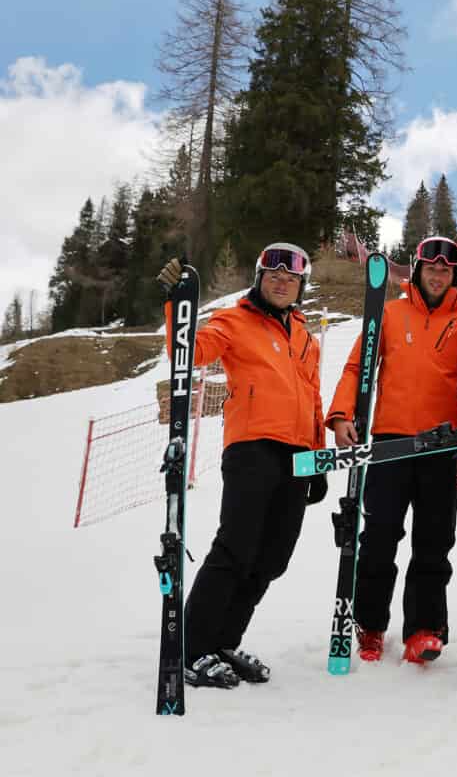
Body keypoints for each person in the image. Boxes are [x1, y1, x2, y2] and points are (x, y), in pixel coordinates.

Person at [156, 243, 326, 688]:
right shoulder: (234, 320)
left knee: (272, 558)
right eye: (273, 273)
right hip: (252, 448)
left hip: (297, 455)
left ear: (300, 286)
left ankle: (223, 641)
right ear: (259, 277)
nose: (282, 281)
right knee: (236, 548)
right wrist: (178, 303)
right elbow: (188, 351)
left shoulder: (305, 336)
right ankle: (191, 648)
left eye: (291, 277)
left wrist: (318, 455)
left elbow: (312, 396)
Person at [326, 236, 457, 666]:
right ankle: (371, 626)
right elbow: (358, 367)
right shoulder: (390, 313)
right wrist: (342, 414)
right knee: (378, 538)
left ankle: (424, 629)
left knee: (434, 542)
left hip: (442, 444)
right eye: (430, 266)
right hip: (391, 443)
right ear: (416, 270)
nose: (437, 273)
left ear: (454, 275)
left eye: (446, 269)